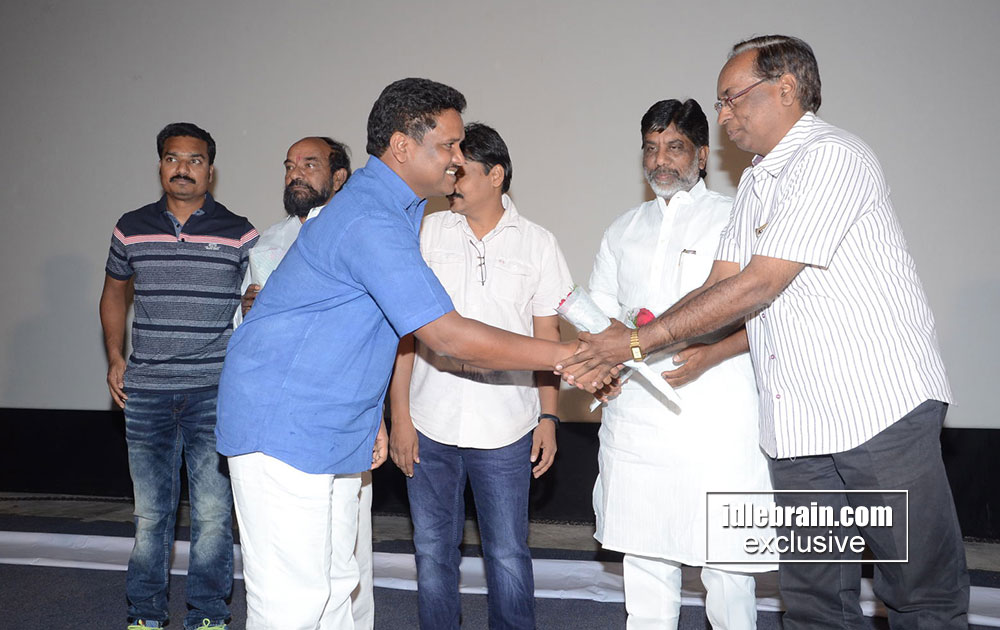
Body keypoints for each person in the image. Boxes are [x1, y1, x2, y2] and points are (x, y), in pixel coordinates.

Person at [558, 35, 968, 629]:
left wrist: (638, 342)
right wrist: (617, 350)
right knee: (816, 601)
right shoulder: (754, 181)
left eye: (732, 98)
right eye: (720, 103)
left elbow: (757, 284)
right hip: (799, 425)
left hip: (876, 410)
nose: (723, 114)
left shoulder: (831, 157)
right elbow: (717, 284)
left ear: (786, 88)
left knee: (917, 592)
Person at [214, 78, 576, 630]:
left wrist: (372, 416)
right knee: (293, 602)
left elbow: (366, 330)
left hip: (334, 420)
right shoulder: (372, 218)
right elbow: (447, 336)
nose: (458, 158)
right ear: (403, 147)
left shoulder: (399, 208)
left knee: (338, 585)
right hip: (284, 420)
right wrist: (568, 354)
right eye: (448, 145)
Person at [588, 99, 773, 629]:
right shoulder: (623, 229)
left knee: (727, 562)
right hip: (637, 417)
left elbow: (766, 311)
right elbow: (599, 317)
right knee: (644, 554)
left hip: (718, 413)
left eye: (674, 147)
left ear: (702, 155)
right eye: (650, 149)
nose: (660, 160)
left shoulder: (735, 218)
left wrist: (711, 354)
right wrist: (602, 370)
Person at [389, 122, 572, 629]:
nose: (450, 180)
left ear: (496, 175)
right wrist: (400, 416)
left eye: (461, 171)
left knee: (508, 552)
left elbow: (548, 340)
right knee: (432, 550)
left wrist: (549, 418)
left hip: (507, 427)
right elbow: (405, 334)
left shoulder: (538, 244)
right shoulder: (424, 232)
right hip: (429, 422)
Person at [99, 122, 258, 630]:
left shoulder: (240, 232)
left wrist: (255, 302)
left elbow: (261, 298)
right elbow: (113, 293)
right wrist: (114, 356)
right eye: (173, 158)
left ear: (210, 169)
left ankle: (208, 615)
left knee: (213, 515)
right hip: (145, 392)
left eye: (194, 160)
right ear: (160, 165)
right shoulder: (130, 227)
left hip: (214, 391)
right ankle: (145, 615)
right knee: (151, 516)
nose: (183, 168)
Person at [233, 136, 380, 630]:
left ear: (339, 177)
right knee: (289, 570)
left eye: (309, 164)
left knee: (346, 559)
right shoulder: (268, 242)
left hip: (341, 413)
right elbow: (243, 332)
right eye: (289, 165)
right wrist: (249, 312)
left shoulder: (360, 234)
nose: (295, 173)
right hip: (278, 421)